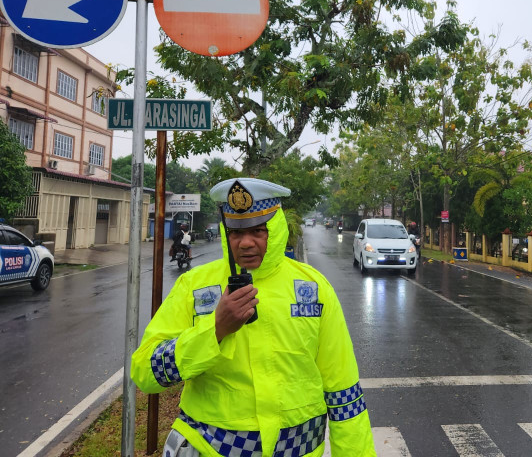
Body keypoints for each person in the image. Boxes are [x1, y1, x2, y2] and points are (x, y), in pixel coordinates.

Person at [131, 178, 375, 457]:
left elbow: (343, 392)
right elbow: (145, 373)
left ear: (275, 228)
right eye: (235, 232)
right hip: (210, 448)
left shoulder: (314, 288)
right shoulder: (195, 286)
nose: (245, 243)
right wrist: (215, 331)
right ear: (225, 233)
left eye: (258, 230)